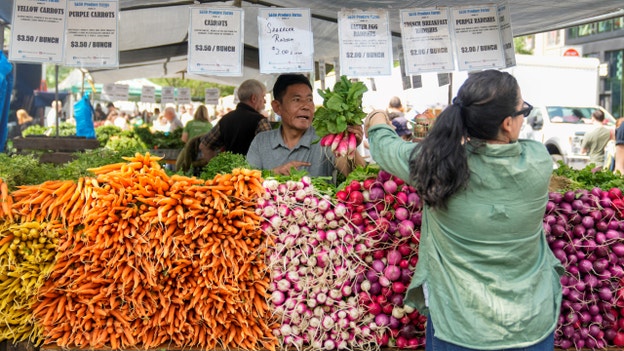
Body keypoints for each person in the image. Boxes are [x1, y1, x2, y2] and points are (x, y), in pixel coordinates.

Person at [364, 70, 563, 351]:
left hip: (458, 327)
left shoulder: (438, 166)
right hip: (530, 324)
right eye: (523, 111)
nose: (523, 117)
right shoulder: (538, 161)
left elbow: (385, 147)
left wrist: (376, 119)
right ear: (508, 124)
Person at [246, 74, 366, 177]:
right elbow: (247, 182)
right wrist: (275, 173)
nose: (306, 106)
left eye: (309, 100)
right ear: (277, 107)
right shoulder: (261, 142)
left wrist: (351, 148)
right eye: (297, 100)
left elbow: (356, 176)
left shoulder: (325, 139)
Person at [199, 79, 271, 164]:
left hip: (230, 175)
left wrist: (218, 167)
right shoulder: (260, 121)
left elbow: (204, 146)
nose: (265, 101)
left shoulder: (225, 119)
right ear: (254, 98)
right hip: (253, 175)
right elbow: (270, 151)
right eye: (263, 97)